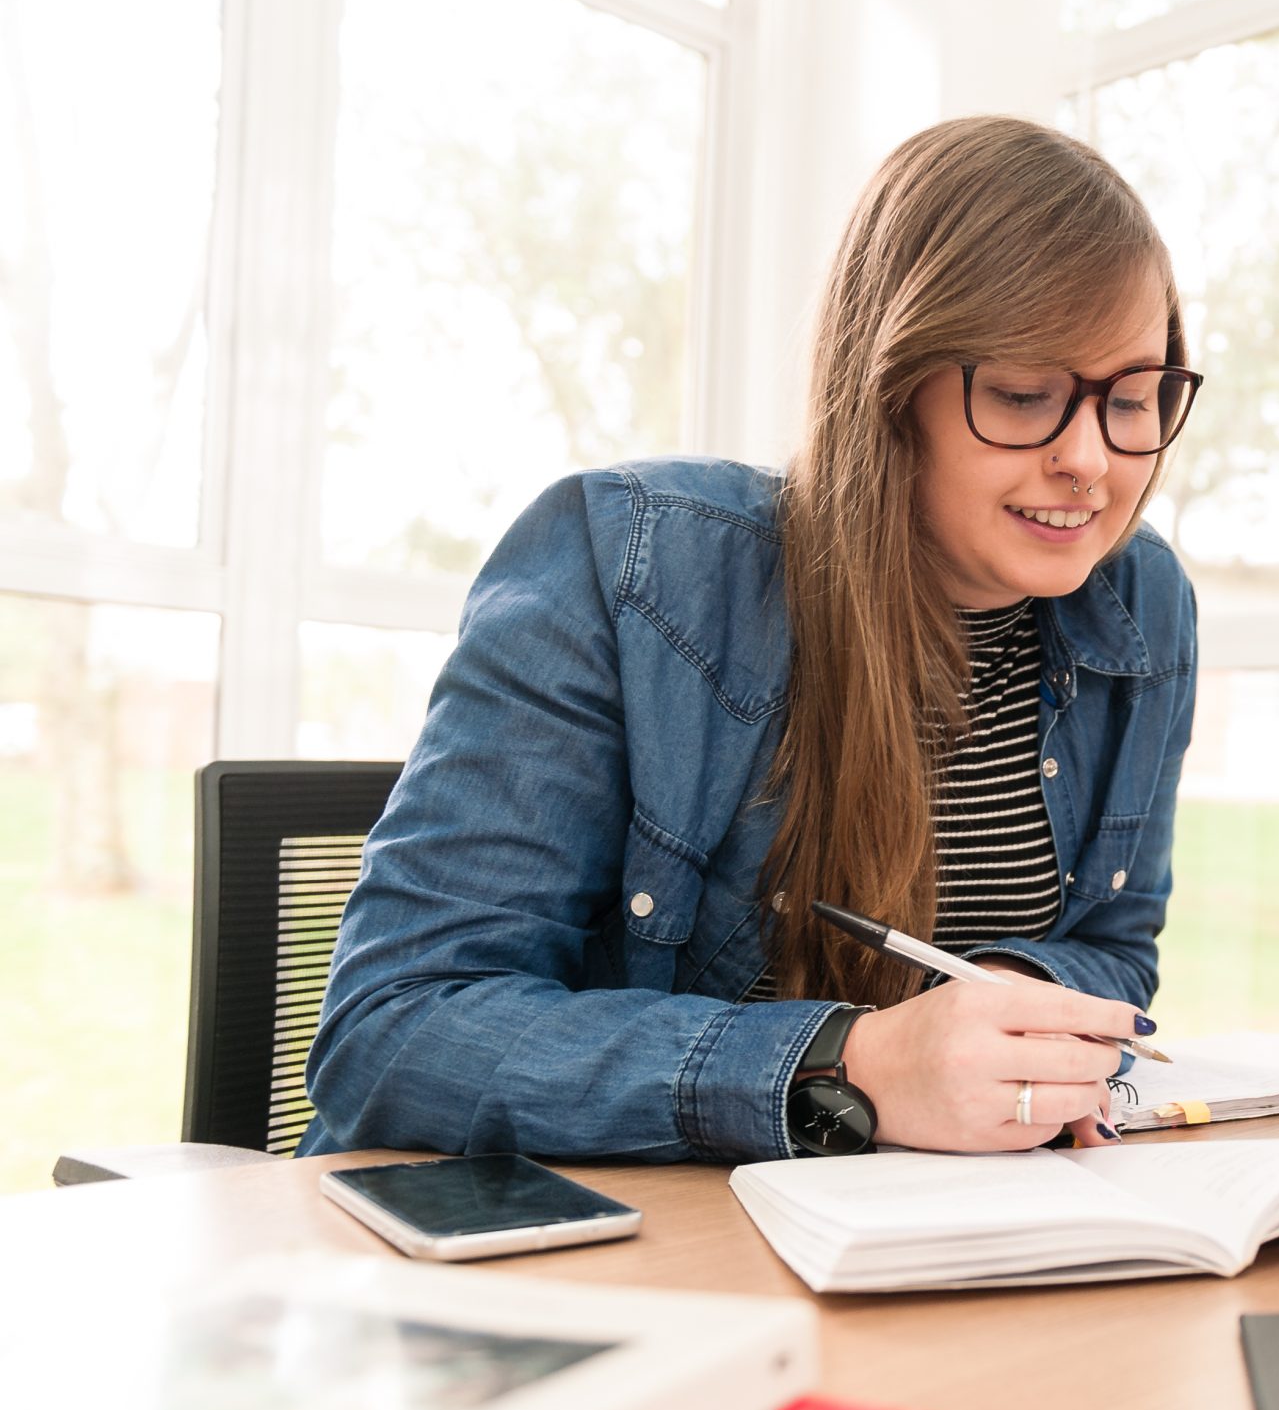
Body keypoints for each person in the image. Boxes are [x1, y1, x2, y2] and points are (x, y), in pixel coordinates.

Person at [302, 116, 1202, 1161]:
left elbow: (1111, 943)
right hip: (586, 1250)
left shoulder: (1140, 602)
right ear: (889, 386)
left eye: (1133, 398)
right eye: (1021, 395)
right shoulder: (628, 566)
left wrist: (1023, 1003)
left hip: (912, 1239)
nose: (1091, 459)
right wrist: (850, 1065)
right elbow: (397, 1028)